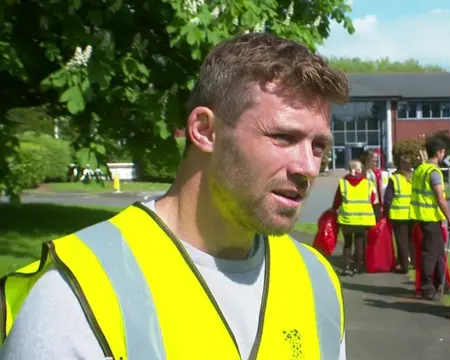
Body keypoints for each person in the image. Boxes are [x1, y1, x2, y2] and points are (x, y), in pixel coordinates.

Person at [0, 33, 349, 360]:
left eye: (318, 146)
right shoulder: (76, 294)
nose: (308, 167)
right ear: (204, 131)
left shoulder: (317, 281)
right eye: (283, 137)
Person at [409, 137, 450, 301]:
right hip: (430, 217)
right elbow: (440, 198)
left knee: (438, 252)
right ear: (438, 152)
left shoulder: (420, 169)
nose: (444, 155)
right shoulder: (434, 172)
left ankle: (442, 283)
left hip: (421, 215)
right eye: (443, 152)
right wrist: (449, 218)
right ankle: (427, 288)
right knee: (431, 253)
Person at [332, 160, 380, 275]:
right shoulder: (368, 183)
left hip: (347, 218)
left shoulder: (343, 183)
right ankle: (358, 266)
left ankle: (347, 265)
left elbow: (337, 200)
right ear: (359, 169)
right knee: (359, 241)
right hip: (363, 218)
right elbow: (373, 200)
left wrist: (333, 209)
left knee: (347, 243)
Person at [383, 154, 414, 274]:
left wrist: (385, 214)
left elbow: (388, 199)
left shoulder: (395, 178)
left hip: (398, 214)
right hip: (412, 214)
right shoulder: (414, 178)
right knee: (411, 241)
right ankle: (415, 263)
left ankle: (403, 265)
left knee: (402, 242)